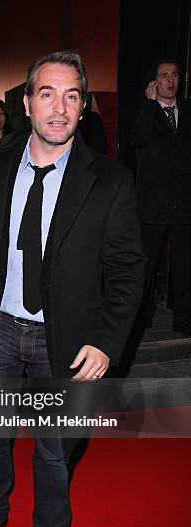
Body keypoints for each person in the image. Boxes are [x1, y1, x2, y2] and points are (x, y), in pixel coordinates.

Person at [0, 51, 145, 527]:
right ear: (27, 103)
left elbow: (126, 270)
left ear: (82, 107)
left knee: (54, 450)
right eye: (48, 93)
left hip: (64, 342)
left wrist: (106, 342)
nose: (60, 107)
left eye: (72, 95)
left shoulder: (110, 180)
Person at [129, 57, 191, 335]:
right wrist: (150, 104)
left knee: (184, 266)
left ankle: (183, 318)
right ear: (154, 82)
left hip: (184, 205)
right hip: (152, 206)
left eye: (174, 75)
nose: (170, 80)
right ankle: (143, 318)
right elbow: (137, 139)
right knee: (148, 265)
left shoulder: (188, 111)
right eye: (164, 76)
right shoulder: (147, 112)